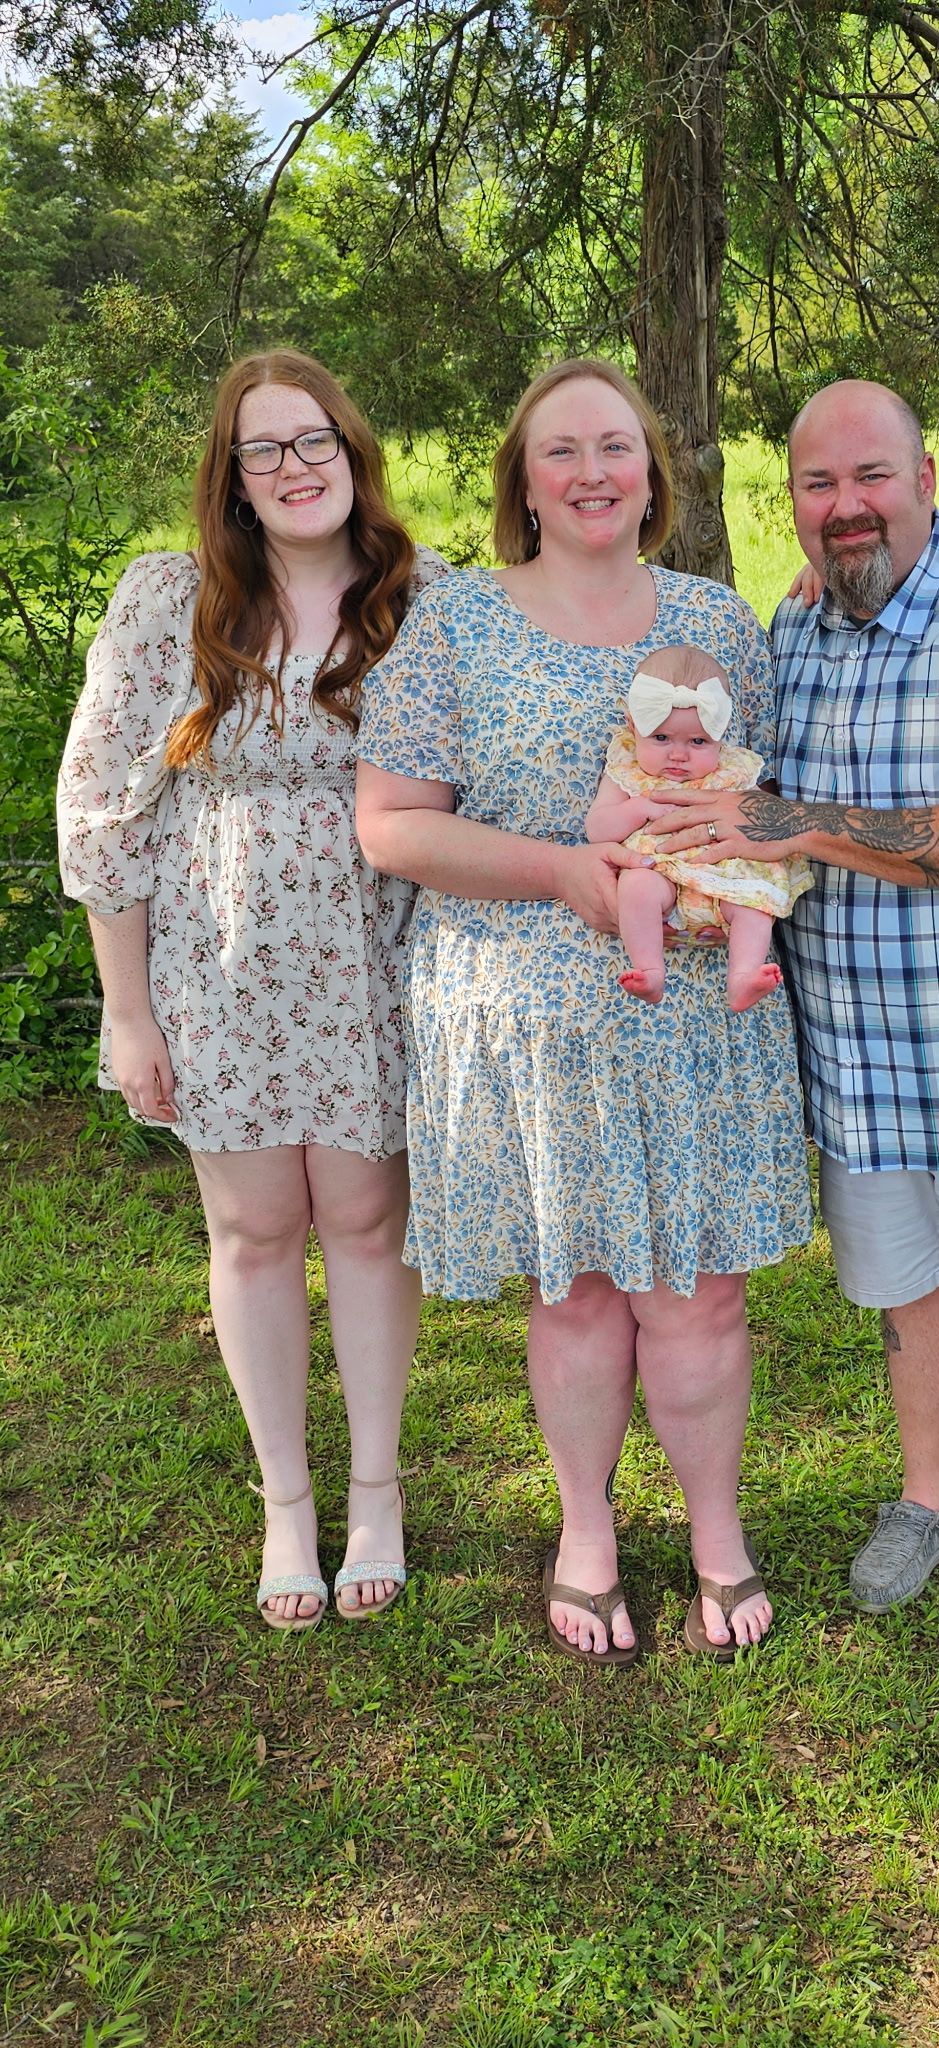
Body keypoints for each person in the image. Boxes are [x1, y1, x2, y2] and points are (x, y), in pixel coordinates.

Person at [647, 379, 939, 1687]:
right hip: (859, 1065)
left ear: (926, 478)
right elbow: (731, 796)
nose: (845, 506)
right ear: (791, 501)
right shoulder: (795, 627)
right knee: (911, 1302)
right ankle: (929, 1499)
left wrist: (798, 826)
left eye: (870, 477)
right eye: (816, 484)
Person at [353, 358, 811, 1665]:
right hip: (528, 1022)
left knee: (699, 1302)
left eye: (617, 446)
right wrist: (567, 873)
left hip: (695, 1027)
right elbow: (392, 827)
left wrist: (725, 872)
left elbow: (757, 799)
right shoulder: (452, 625)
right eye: (563, 452)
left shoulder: (720, 624)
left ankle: (717, 1534)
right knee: (579, 1303)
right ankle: (587, 1531)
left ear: (653, 473)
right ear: (524, 484)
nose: (595, 471)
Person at [57, 348, 448, 1630]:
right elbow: (105, 808)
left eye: (314, 439)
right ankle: (290, 1501)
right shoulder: (170, 601)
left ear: (353, 449)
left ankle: (376, 1490)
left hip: (372, 964)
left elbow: (519, 731)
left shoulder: (419, 597)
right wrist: (128, 1009)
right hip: (215, 971)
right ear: (231, 475)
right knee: (254, 1231)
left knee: (365, 1225)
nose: (294, 466)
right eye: (263, 447)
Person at [586, 643, 813, 1010]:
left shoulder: (733, 769)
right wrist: (637, 808)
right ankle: (649, 968)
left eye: (698, 741)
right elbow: (597, 828)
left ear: (720, 737)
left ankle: (743, 975)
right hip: (660, 872)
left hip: (726, 876)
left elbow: (762, 816)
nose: (678, 754)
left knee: (755, 903)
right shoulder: (626, 770)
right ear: (633, 726)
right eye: (661, 738)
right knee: (636, 887)